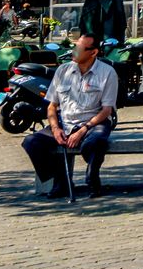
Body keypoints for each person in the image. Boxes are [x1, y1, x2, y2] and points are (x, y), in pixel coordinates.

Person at [22, 32, 119, 198]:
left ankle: (92, 177)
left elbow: (106, 110)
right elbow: (52, 106)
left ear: (93, 52)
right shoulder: (63, 70)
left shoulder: (107, 73)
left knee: (96, 142)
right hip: (64, 121)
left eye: (79, 48)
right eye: (74, 46)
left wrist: (83, 129)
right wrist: (55, 128)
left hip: (94, 122)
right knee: (32, 142)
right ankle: (61, 181)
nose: (74, 51)